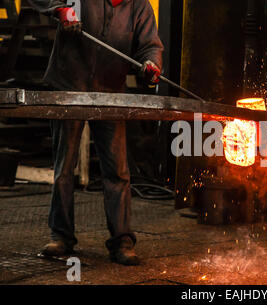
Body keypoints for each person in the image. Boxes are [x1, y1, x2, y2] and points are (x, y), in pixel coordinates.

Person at [28, 0, 164, 265]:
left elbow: (150, 46)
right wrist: (60, 9)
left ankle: (122, 241)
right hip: (69, 85)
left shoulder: (139, 7)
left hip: (110, 94)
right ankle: (62, 237)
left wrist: (151, 66)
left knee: (118, 171)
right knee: (64, 168)